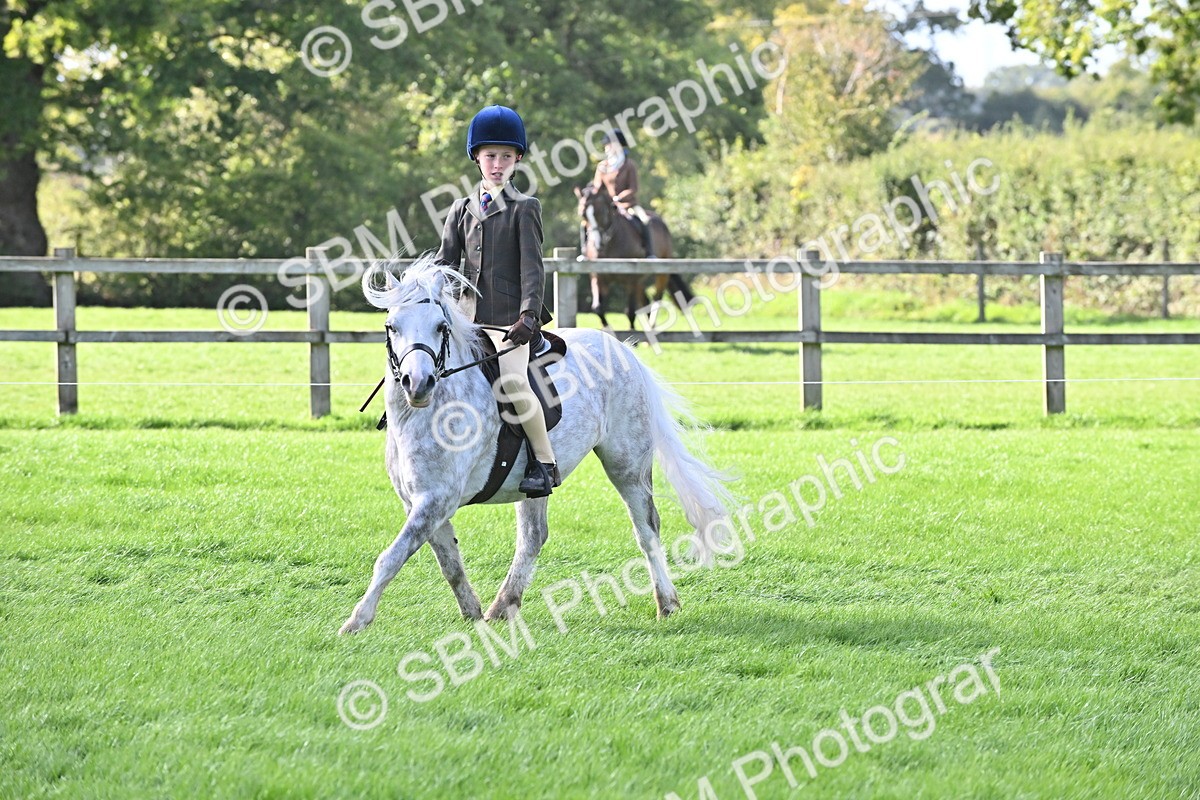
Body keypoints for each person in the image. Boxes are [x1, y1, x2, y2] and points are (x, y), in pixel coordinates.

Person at [435, 104, 560, 497]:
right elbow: (445, 263)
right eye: (490, 155)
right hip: (466, 320)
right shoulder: (460, 209)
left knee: (512, 383)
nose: (498, 163)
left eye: (506, 156)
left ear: (518, 160)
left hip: (509, 322)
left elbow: (532, 269)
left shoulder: (526, 208)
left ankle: (544, 462)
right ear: (477, 157)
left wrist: (528, 315)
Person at [591, 130, 657, 258]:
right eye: (606, 145)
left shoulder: (629, 165)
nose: (607, 148)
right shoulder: (602, 167)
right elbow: (597, 188)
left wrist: (619, 197)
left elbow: (633, 188)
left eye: (609, 144)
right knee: (589, 220)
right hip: (608, 207)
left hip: (628, 205)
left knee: (645, 220)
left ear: (618, 145)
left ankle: (650, 253)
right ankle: (585, 251)